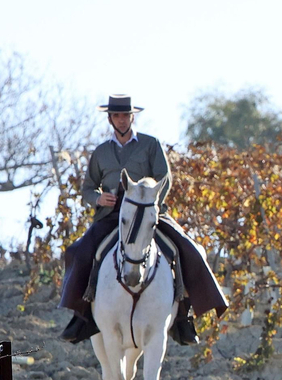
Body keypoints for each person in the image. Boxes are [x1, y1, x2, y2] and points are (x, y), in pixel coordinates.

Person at [58, 94, 227, 344]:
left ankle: (183, 317)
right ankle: (80, 316)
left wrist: (151, 202)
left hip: (147, 213)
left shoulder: (150, 144)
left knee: (189, 249)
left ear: (132, 117)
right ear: (110, 119)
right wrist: (98, 199)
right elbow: (87, 188)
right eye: (117, 115)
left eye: (126, 115)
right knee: (79, 252)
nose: (122, 120)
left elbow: (164, 178)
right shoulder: (101, 152)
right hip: (112, 216)